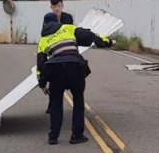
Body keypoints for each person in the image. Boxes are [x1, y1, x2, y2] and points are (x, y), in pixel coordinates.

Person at [37, 14, 114, 145]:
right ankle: (77, 135)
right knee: (78, 102)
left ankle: (53, 136)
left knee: (56, 104)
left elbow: (40, 64)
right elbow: (91, 36)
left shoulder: (43, 40)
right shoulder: (68, 28)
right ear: (58, 21)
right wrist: (108, 42)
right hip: (75, 67)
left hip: (56, 70)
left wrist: (42, 83)